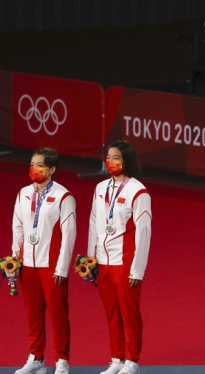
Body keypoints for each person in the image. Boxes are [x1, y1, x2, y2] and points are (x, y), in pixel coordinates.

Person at [88, 140, 152, 374]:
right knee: (112, 313)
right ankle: (116, 358)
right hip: (103, 261)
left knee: (129, 313)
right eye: (109, 157)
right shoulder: (100, 188)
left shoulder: (138, 191)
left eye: (116, 158)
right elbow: (94, 222)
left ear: (127, 161)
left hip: (125, 262)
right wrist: (90, 258)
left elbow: (144, 232)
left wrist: (138, 269)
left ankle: (132, 360)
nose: (110, 162)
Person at [12, 148, 76, 374]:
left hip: (51, 265)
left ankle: (62, 360)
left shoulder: (63, 196)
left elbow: (69, 234)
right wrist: (15, 259)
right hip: (28, 264)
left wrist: (62, 267)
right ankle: (36, 358)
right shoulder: (23, 193)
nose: (33, 169)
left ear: (51, 170)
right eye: (31, 164)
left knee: (59, 314)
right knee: (33, 313)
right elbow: (18, 228)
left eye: (39, 165)